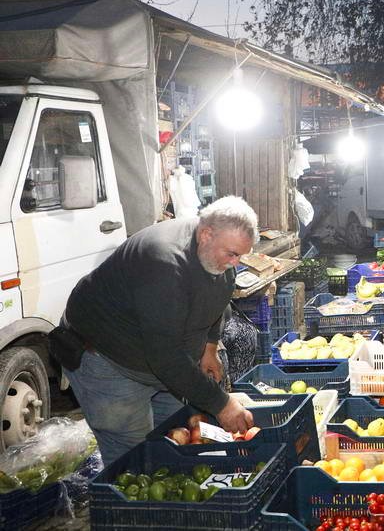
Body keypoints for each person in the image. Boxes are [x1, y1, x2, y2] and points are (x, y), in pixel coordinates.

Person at [60, 195, 258, 464]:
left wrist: (209, 348)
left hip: (162, 363)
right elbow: (166, 356)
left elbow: (218, 299)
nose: (235, 262)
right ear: (206, 234)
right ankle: (133, 503)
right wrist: (222, 404)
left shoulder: (215, 254)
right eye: (232, 254)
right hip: (108, 360)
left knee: (176, 438)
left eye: (241, 255)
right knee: (134, 457)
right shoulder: (164, 262)